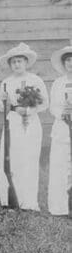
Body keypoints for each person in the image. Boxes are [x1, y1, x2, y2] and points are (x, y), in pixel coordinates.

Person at [0, 43, 48, 211]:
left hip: (31, 121)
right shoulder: (6, 82)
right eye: (13, 62)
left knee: (29, 158)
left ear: (26, 62)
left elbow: (44, 103)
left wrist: (27, 110)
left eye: (20, 61)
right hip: (12, 121)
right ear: (10, 65)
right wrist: (3, 100)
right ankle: (9, 199)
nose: (17, 65)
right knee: (12, 157)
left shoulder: (35, 80)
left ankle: (28, 201)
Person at [48, 46, 72, 216]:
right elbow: (52, 106)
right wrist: (62, 113)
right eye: (68, 61)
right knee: (60, 165)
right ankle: (60, 206)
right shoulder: (58, 82)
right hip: (62, 127)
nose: (71, 64)